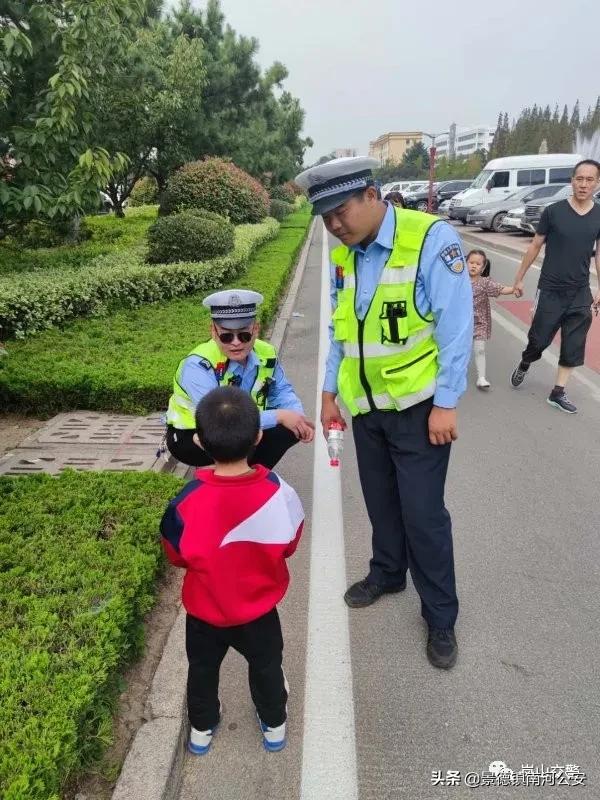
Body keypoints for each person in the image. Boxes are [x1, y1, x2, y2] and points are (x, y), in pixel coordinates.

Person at [295, 156, 473, 669]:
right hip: (366, 408)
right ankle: (388, 572)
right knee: (380, 502)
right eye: (325, 218)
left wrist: (446, 403)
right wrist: (329, 392)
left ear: (372, 196)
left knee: (424, 515)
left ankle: (440, 617)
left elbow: (455, 328)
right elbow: (339, 329)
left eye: (340, 212)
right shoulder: (344, 255)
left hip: (419, 412)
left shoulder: (430, 241)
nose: (333, 225)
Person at [160, 386, 304, 755]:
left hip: (204, 611)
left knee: (203, 670)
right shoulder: (279, 493)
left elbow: (175, 554)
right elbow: (289, 544)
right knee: (267, 666)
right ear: (258, 436)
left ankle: (202, 729)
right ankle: (274, 725)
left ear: (199, 442)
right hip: (258, 611)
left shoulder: (185, 503)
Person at [165, 289, 314, 468]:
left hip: (242, 428)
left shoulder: (266, 353)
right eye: (226, 336)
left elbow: (281, 390)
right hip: (193, 434)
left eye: (244, 335)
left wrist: (297, 417)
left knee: (289, 429)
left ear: (255, 329)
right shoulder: (198, 365)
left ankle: (253, 477)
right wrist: (280, 415)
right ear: (213, 331)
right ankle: (235, 481)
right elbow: (220, 420)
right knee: (239, 438)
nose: (236, 343)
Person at [510, 159, 600, 413]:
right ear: (572, 180)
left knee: (574, 343)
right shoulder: (553, 212)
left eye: (589, 179)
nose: (583, 184)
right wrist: (518, 278)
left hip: (580, 291)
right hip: (550, 288)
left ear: (597, 183)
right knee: (539, 339)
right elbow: (535, 246)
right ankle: (527, 361)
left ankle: (558, 392)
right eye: (579, 179)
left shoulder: (599, 214)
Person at [468, 248, 515, 390]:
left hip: (479, 322)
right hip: (460, 322)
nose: (474, 265)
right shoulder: (458, 279)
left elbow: (500, 289)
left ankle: (481, 378)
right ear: (465, 263)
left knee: (480, 350)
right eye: (471, 262)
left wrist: (514, 289)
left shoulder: (485, 283)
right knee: (458, 350)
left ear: (483, 268)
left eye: (477, 264)